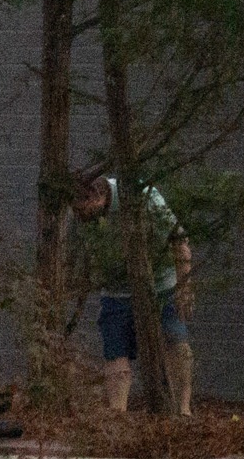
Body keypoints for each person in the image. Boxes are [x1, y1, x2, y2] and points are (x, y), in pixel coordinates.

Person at [59, 167, 193, 416]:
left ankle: (183, 411)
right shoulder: (78, 215)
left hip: (160, 284)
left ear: (96, 196)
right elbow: (71, 257)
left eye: (81, 209)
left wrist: (184, 287)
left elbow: (179, 240)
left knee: (175, 341)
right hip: (115, 291)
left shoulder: (143, 196)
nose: (78, 216)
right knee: (115, 351)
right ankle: (118, 415)